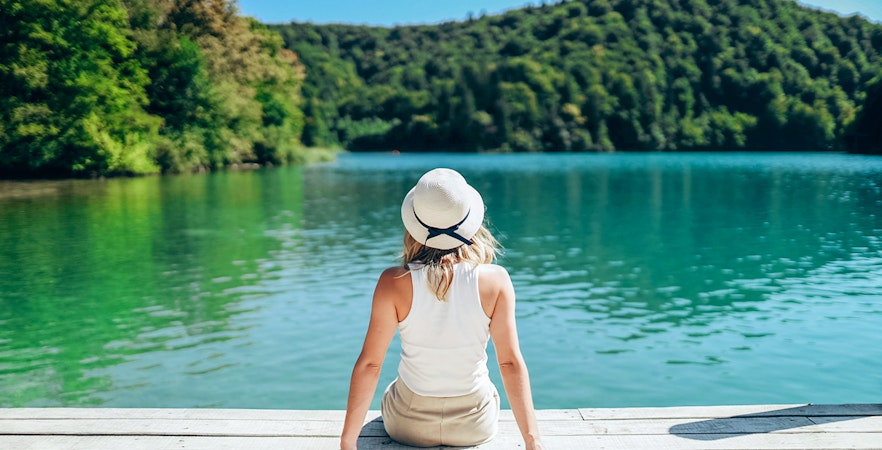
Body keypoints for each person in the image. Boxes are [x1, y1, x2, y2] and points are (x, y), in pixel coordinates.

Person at [340, 168, 544, 449]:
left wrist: (347, 443)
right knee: (489, 390)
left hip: (408, 425)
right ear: (471, 222)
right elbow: (509, 363)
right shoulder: (496, 280)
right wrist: (532, 442)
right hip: (473, 426)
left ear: (414, 225)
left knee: (392, 390)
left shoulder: (393, 282)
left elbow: (371, 364)